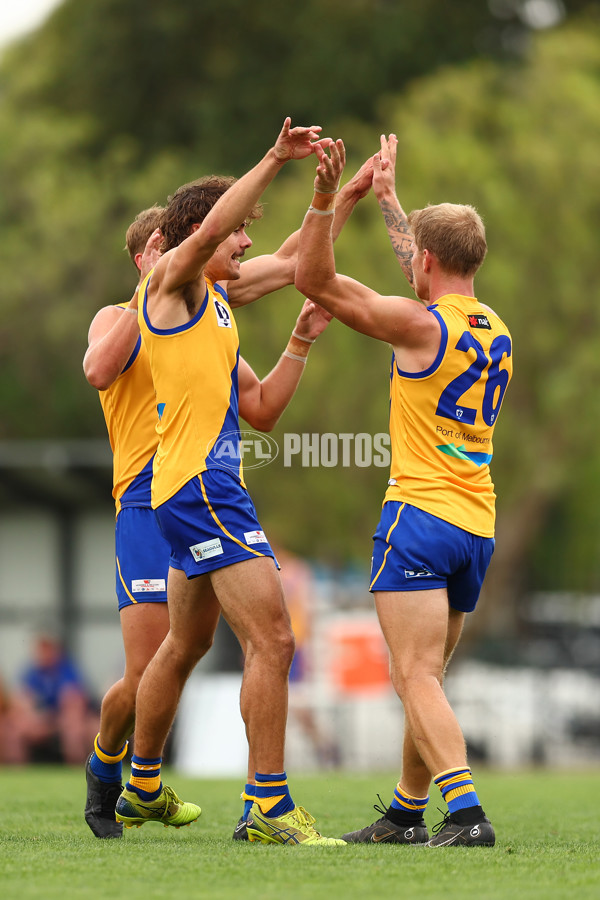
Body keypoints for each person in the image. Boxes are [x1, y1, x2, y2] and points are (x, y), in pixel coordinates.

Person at [90, 121, 374, 844]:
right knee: (275, 641)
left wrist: (334, 197)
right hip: (198, 490)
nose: (245, 243)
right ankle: (269, 807)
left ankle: (142, 784)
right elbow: (216, 224)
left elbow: (294, 269)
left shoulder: (217, 303)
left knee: (181, 648)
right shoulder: (172, 285)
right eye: (236, 232)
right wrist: (277, 157)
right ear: (196, 236)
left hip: (190, 492)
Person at [295, 135, 513, 848]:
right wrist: (393, 202)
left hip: (419, 517)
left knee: (414, 678)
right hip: (475, 524)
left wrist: (338, 196)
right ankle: (405, 812)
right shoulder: (491, 328)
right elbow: (426, 282)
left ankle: (467, 814)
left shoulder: (417, 326)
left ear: (427, 260)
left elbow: (316, 279)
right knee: (430, 677)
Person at [2, 633, 98, 764]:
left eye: (47, 648)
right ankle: (16, 771)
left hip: (64, 718)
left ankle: (78, 768)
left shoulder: (66, 669)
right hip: (42, 718)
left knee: (73, 727)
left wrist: (53, 719)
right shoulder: (32, 671)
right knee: (14, 728)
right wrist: (35, 717)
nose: (44, 653)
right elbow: (23, 700)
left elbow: (73, 702)